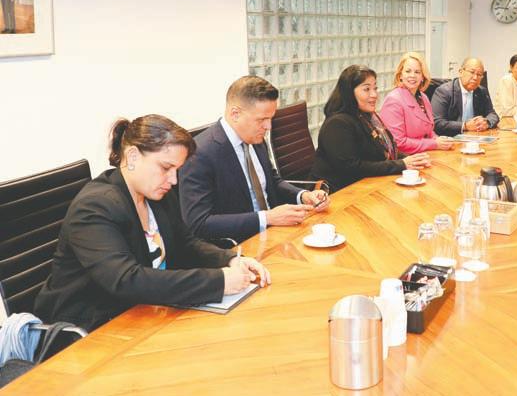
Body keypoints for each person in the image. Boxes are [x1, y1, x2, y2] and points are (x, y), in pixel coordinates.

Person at [34, 115, 271, 332]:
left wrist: (230, 259)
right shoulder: (94, 207)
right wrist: (219, 282)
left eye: (177, 170)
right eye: (166, 168)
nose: (174, 180)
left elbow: (186, 244)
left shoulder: (157, 194)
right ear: (133, 156)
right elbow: (127, 280)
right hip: (87, 331)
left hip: (144, 314)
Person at [179, 76, 329, 242]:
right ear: (235, 114)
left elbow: (272, 181)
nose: (268, 127)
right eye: (262, 119)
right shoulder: (199, 154)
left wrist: (302, 195)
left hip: (275, 233)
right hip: (237, 245)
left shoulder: (255, 138)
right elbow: (199, 223)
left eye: (271, 118)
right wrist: (267, 218)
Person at [311, 65, 431, 191]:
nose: (374, 95)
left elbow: (383, 151)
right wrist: (401, 164)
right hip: (336, 193)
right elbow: (351, 168)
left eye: (375, 88)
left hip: (366, 185)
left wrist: (410, 160)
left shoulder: (366, 116)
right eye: (367, 89)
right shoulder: (337, 124)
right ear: (349, 92)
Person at [380, 52, 454, 154]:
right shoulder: (393, 100)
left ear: (422, 76)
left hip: (425, 154)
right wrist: (434, 144)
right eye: (408, 71)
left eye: (417, 72)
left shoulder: (423, 97)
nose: (412, 76)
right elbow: (398, 143)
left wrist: (439, 140)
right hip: (406, 159)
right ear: (400, 75)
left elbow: (428, 132)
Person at [431, 57, 499, 136]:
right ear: (461, 72)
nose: (475, 78)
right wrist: (465, 126)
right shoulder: (444, 91)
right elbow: (436, 122)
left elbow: (492, 114)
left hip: (475, 137)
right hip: (451, 137)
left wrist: (487, 122)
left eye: (479, 74)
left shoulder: (482, 91)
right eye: (472, 72)